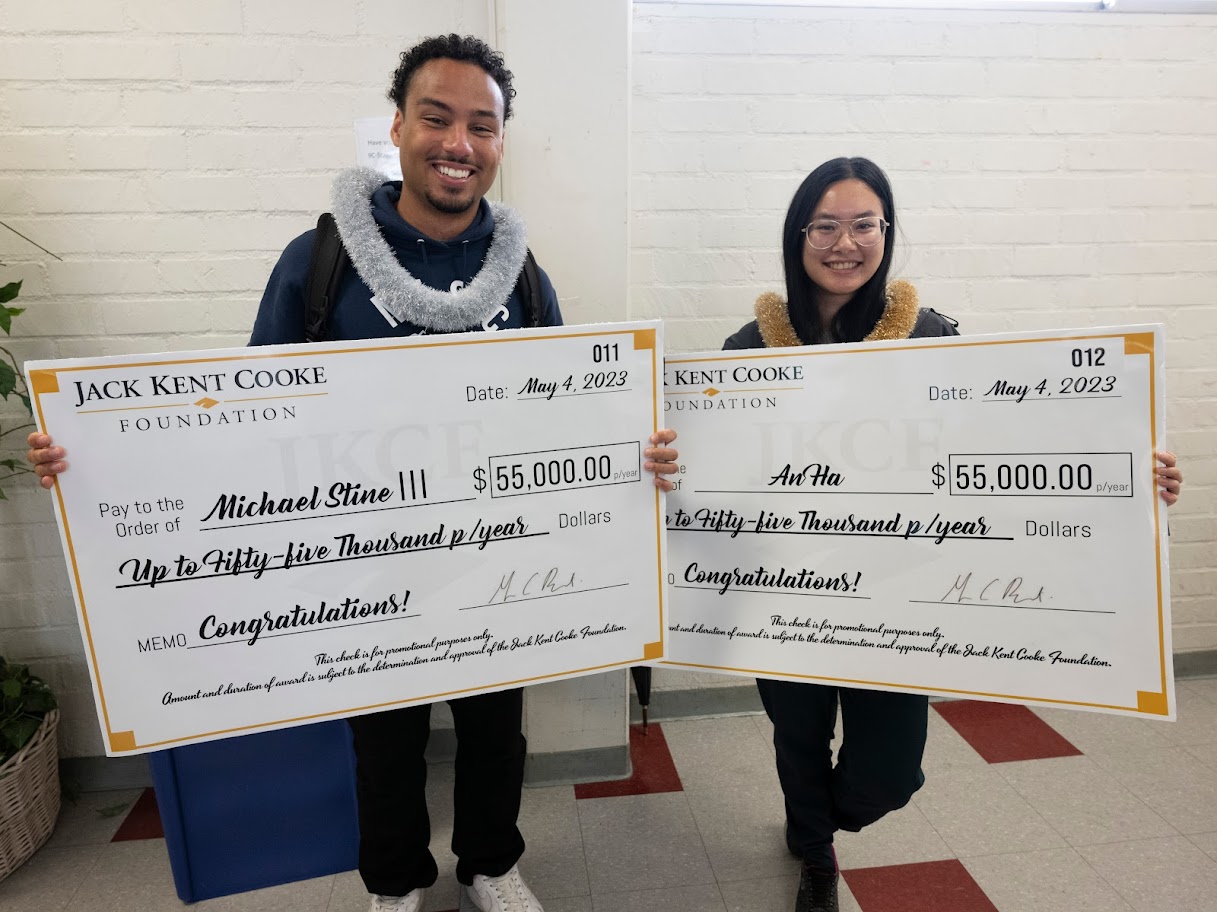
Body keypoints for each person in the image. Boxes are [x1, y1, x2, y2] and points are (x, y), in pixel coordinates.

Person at [28, 34, 679, 912]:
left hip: (501, 565)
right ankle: (394, 881)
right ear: (399, 127)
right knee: (384, 740)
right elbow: (244, 413)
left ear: (499, 144)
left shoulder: (520, 273)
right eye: (437, 117)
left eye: (481, 127)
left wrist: (636, 454)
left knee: (496, 732)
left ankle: (489, 863)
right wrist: (94, 456)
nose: (458, 143)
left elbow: (574, 407)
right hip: (364, 568)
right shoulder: (320, 260)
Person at [722, 156, 1184, 912]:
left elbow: (1004, 454)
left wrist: (1132, 478)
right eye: (826, 225)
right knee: (798, 739)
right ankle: (813, 855)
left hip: (901, 604)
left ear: (886, 232)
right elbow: (720, 473)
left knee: (890, 772)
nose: (845, 242)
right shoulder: (747, 347)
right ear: (797, 235)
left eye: (864, 224)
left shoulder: (933, 338)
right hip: (788, 593)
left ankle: (818, 820)